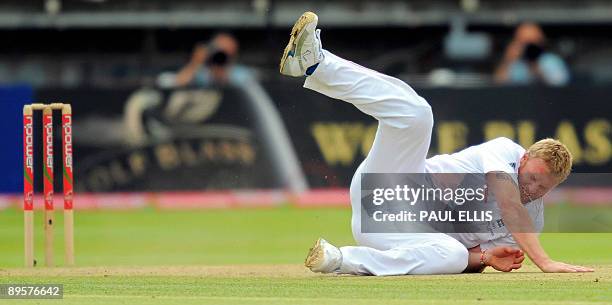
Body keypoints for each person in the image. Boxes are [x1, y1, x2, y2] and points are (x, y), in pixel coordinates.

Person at [280, 12, 594, 275]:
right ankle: (314, 63)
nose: (533, 189)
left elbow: (470, 255)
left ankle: (339, 259)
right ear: (523, 160)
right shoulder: (504, 151)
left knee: (454, 256)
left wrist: (484, 259)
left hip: (394, 235)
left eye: (544, 188)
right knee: (417, 114)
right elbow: (509, 203)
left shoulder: (531, 226)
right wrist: (545, 262)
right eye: (533, 178)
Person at [494, 23, 569, 86]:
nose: (529, 48)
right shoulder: (515, 63)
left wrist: (535, 67)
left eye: (532, 43)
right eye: (524, 42)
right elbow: (498, 85)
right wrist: (507, 60)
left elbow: (560, 86)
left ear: (541, 42)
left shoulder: (551, 61)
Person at [174, 33, 252, 86]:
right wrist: (196, 62)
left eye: (227, 51)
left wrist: (223, 73)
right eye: (219, 50)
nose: (221, 56)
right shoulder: (202, 73)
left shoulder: (243, 75)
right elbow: (178, 84)